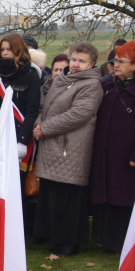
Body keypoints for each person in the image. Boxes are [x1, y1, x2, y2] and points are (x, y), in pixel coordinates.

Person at [89, 41, 135, 253]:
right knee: (106, 194)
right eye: (114, 61)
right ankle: (103, 238)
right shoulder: (109, 83)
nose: (116, 65)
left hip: (128, 152)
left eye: (121, 62)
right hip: (106, 150)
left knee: (124, 196)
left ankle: (121, 241)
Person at [32, 41, 103, 256]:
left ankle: (69, 242)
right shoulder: (63, 79)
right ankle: (55, 238)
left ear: (92, 64)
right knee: (53, 196)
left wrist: (44, 128)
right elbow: (48, 107)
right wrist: (39, 122)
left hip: (70, 147)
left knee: (68, 200)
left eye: (82, 61)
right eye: (74, 59)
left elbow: (78, 115)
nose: (75, 64)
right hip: (53, 144)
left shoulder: (91, 85)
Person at [0, 33, 42, 226]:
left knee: (15, 186)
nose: (5, 53)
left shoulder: (31, 74)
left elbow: (31, 110)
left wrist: (23, 140)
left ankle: (14, 227)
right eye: (3, 49)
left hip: (17, 137)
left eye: (9, 49)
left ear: (18, 51)